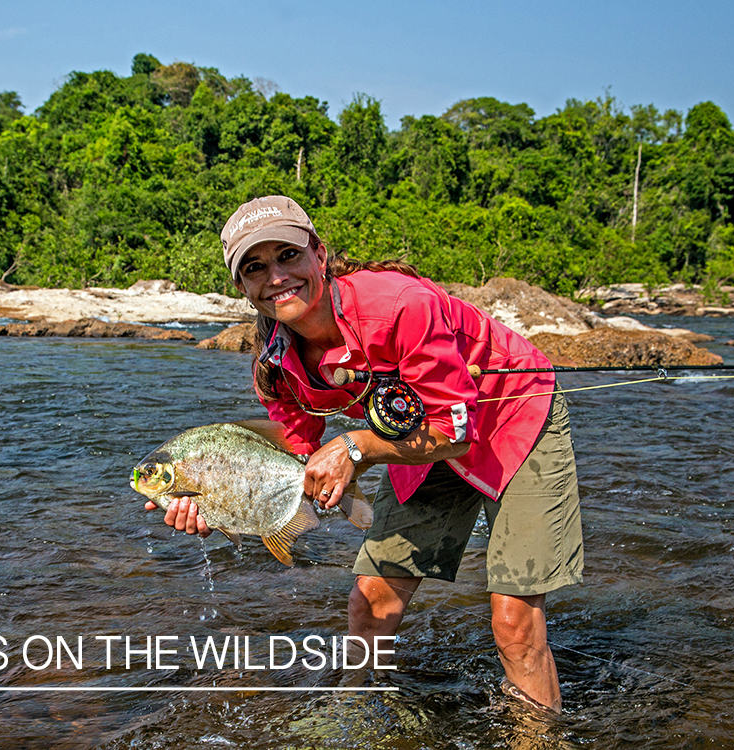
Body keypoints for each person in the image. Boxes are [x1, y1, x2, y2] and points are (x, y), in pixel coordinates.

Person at [146, 195, 583, 711]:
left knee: (513, 620)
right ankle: (357, 715)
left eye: (288, 255)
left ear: (319, 254)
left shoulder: (400, 303)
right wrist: (221, 506)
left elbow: (456, 431)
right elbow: (298, 466)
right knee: (371, 600)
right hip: (418, 433)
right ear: (241, 287)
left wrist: (355, 448)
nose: (277, 276)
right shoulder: (274, 367)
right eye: (255, 267)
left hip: (513, 414)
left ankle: (541, 739)